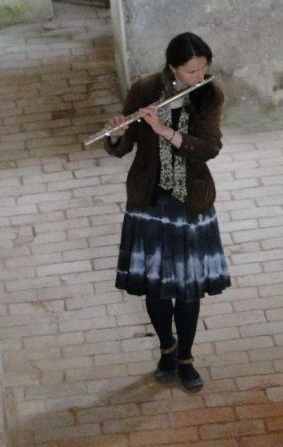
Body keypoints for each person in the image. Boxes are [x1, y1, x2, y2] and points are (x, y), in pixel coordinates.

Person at [102, 32, 230, 389]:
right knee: (156, 288)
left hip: (190, 201)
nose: (199, 77)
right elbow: (123, 147)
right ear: (172, 67)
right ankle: (167, 348)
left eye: (203, 69)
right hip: (151, 200)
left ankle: (186, 356)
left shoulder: (209, 94)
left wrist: (164, 130)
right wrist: (117, 134)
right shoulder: (144, 90)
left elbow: (209, 148)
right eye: (191, 71)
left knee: (188, 289)